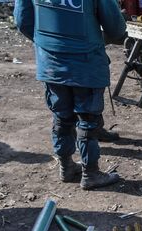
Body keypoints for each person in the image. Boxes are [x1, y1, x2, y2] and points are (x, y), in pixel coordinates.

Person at [14, 0, 126, 190]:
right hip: (86, 62)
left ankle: (66, 167)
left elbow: (23, 21)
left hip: (52, 64)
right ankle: (90, 173)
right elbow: (116, 28)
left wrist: (51, 44)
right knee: (88, 119)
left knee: (61, 116)